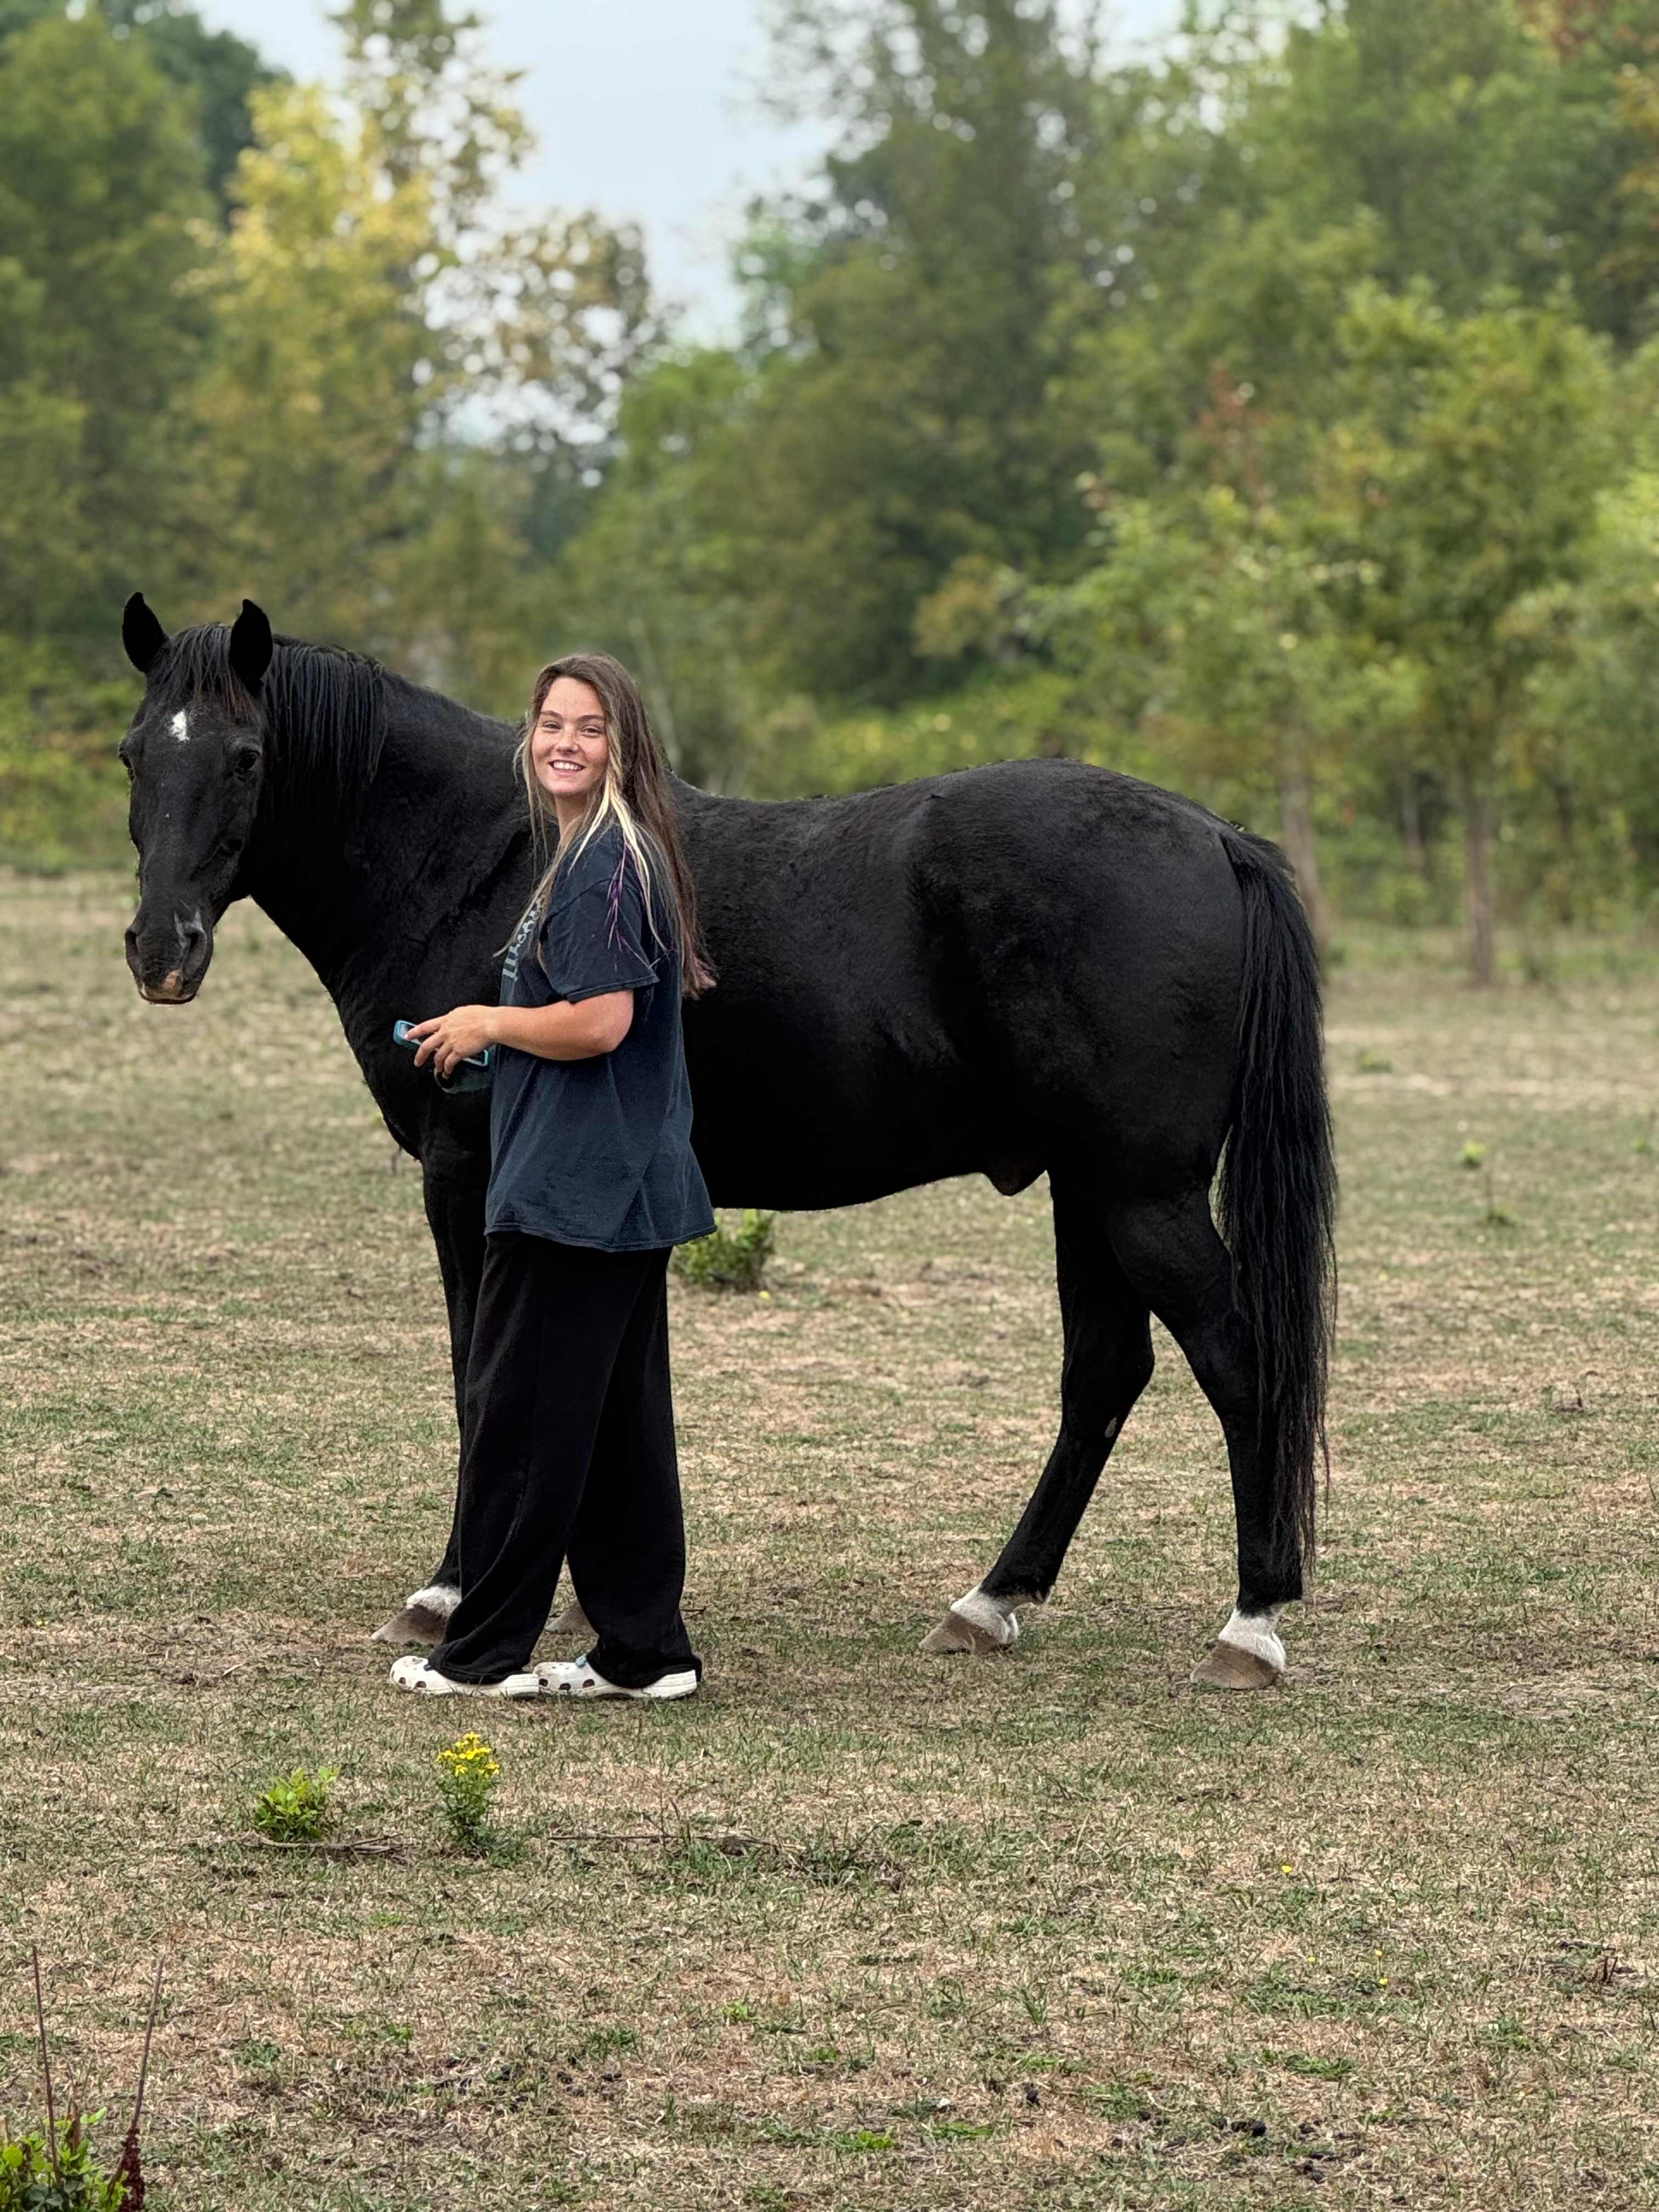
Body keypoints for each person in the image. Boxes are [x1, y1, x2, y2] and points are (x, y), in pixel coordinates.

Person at [389, 652, 715, 1701]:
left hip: (582, 1191)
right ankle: (644, 1655)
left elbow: (602, 1021)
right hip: (606, 1184)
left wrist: (492, 1017)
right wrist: (487, 1038)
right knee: (618, 1431)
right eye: (549, 724)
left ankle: (479, 1657)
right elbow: (580, 1021)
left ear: (625, 746)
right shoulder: (592, 855)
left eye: (590, 727)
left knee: (521, 1421)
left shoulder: (609, 864)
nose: (564, 743)